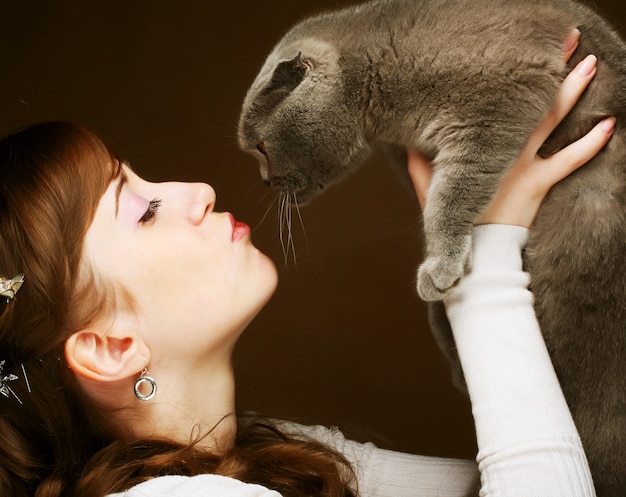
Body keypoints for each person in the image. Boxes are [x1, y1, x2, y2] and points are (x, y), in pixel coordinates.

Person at [0, 30, 611, 496]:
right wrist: (480, 249)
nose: (197, 190)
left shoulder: (282, 457)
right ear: (109, 347)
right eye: (141, 209)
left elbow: (556, 469)